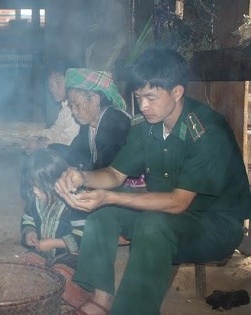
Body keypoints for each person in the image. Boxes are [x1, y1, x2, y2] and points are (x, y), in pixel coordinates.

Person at [55, 48, 251, 315]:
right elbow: (114, 174)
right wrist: (82, 176)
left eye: (151, 97)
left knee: (151, 224)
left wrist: (111, 196)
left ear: (177, 92)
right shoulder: (146, 125)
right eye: (139, 97)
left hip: (215, 224)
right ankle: (100, 300)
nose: (143, 105)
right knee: (104, 212)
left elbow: (178, 202)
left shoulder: (206, 131)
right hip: (167, 213)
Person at [19, 148, 87, 306]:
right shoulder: (35, 199)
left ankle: (79, 293)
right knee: (24, 262)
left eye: (39, 188)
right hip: (44, 253)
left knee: (60, 274)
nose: (35, 192)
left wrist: (55, 243)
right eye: (32, 187)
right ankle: (48, 277)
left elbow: (82, 236)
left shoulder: (75, 202)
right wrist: (30, 232)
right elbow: (27, 219)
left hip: (70, 255)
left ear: (57, 184)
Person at [61, 68, 131, 171]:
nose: (74, 111)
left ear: (95, 100)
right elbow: (74, 153)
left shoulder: (116, 123)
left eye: (77, 105)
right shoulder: (88, 126)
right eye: (71, 106)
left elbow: (105, 167)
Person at [23, 61, 80, 155]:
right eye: (50, 84)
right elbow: (56, 129)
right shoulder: (65, 107)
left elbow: (68, 140)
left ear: (71, 81)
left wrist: (41, 145)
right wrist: (34, 134)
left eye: (58, 82)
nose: (52, 89)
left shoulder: (76, 107)